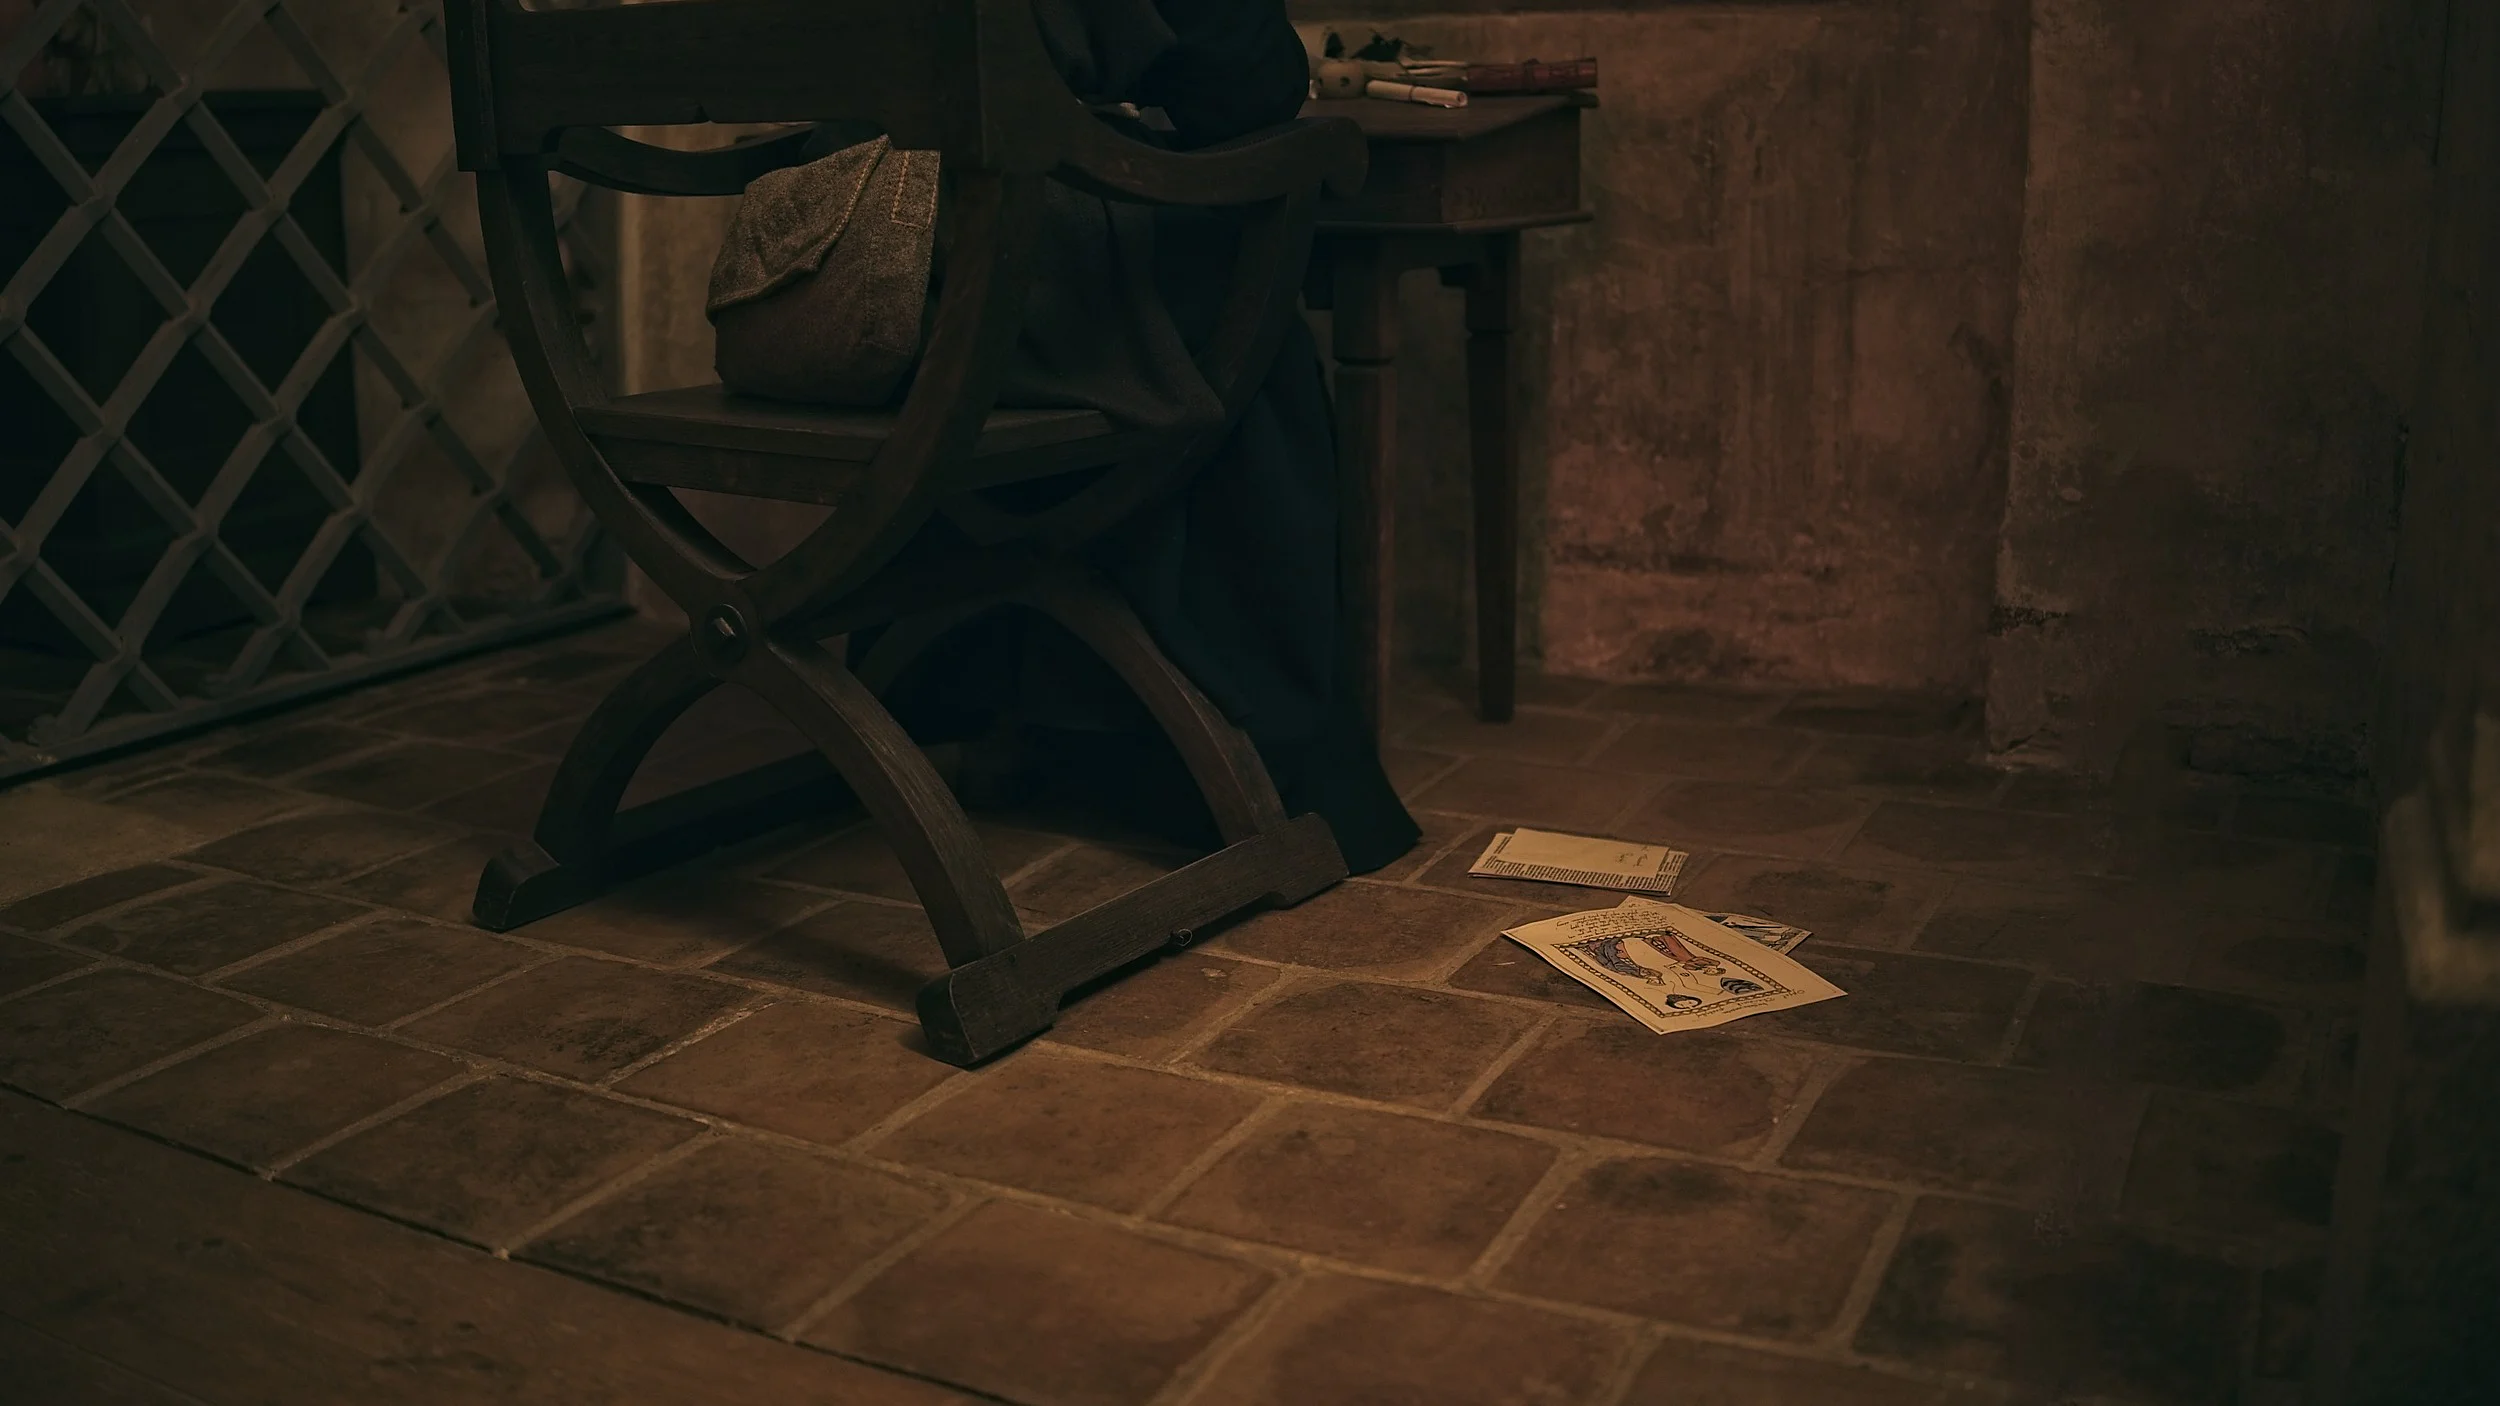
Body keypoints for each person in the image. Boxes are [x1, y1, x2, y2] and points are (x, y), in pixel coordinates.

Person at [706, 0, 1418, 875]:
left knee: (1115, 284)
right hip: (966, 300)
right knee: (1234, 304)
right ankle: (1185, 740)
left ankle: (984, 694)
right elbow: (1251, 85)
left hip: (836, 295)